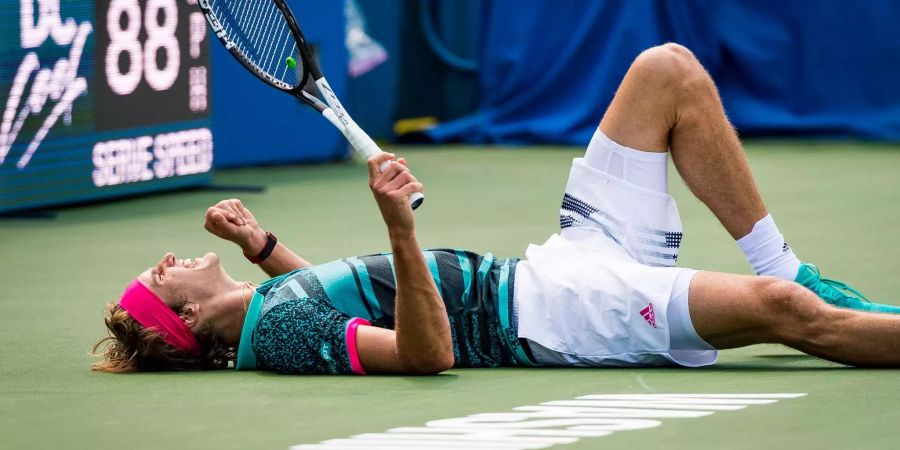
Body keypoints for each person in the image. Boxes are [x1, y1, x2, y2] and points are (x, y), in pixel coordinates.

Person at [93, 43, 900, 375]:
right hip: (554, 315)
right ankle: (796, 287)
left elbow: (350, 301)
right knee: (782, 314)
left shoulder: (272, 308)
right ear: (188, 324)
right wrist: (399, 228)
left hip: (552, 265)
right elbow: (424, 353)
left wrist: (266, 246)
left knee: (667, 72)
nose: (161, 265)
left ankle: (790, 260)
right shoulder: (273, 336)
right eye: (154, 284)